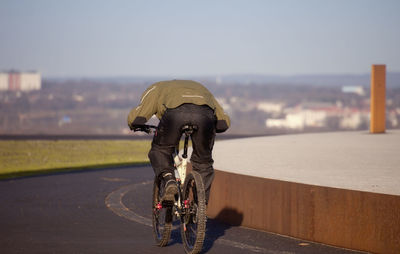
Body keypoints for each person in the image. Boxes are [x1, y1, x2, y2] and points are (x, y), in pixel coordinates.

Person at [127, 80, 230, 204]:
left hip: (175, 115)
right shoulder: (201, 89)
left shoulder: (156, 88)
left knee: (160, 150)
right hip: (204, 116)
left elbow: (139, 115)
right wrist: (213, 128)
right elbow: (223, 122)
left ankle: (169, 180)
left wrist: (134, 124)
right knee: (204, 162)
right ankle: (199, 206)